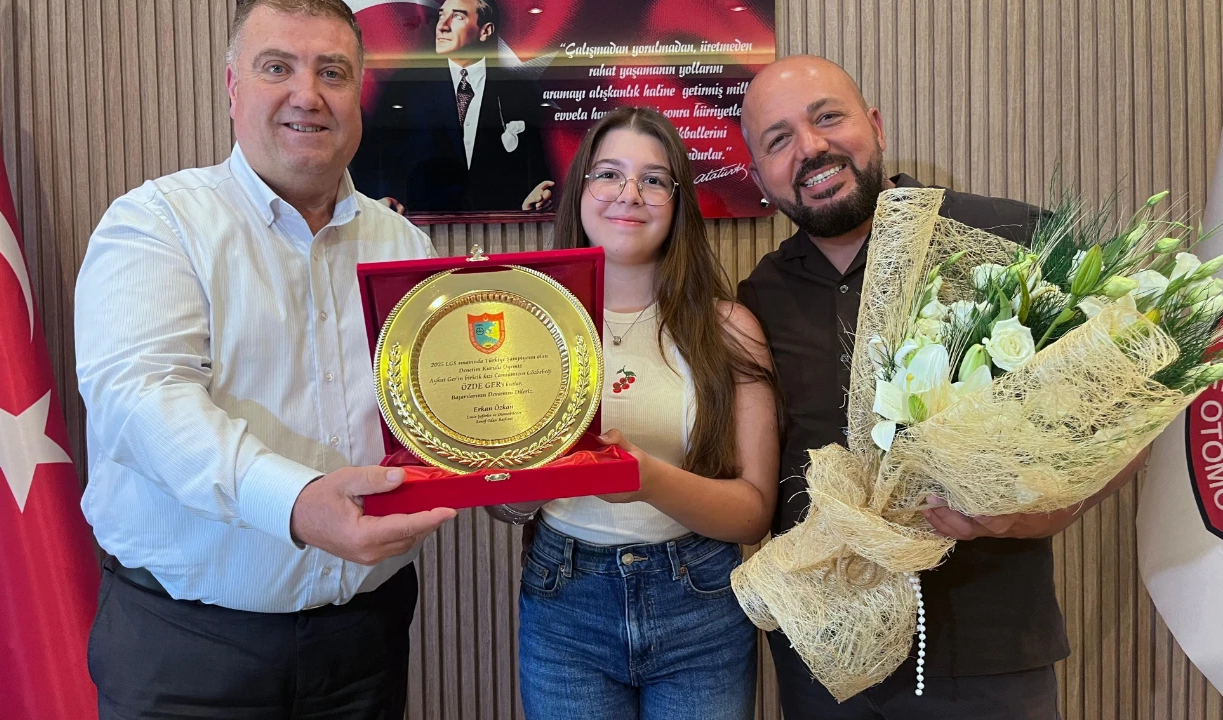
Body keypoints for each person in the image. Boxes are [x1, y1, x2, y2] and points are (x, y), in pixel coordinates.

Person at [736, 54, 1149, 720]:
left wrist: (1030, 516)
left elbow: (1127, 417)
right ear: (760, 177)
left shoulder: (1012, 238)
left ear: (876, 126)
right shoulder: (759, 297)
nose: (810, 148)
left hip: (989, 659)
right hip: (827, 664)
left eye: (828, 117)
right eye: (778, 140)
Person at [73, 1, 456, 717]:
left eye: (332, 73)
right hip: (188, 652)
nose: (307, 94)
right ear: (232, 88)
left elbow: (437, 409)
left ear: (358, 94)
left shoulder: (405, 247)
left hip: (365, 641)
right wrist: (295, 503)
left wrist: (520, 457)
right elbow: (141, 401)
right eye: (277, 67)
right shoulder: (156, 224)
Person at [486, 106, 780, 719]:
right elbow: (502, 505)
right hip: (564, 601)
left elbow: (753, 514)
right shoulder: (521, 327)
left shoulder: (730, 329)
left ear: (678, 202)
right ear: (579, 190)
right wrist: (527, 479)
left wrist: (646, 480)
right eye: (608, 174)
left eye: (653, 179)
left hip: (701, 602)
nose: (629, 194)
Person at [351, 0, 554, 214]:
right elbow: (377, 161)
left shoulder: (520, 91)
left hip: (500, 226)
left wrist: (537, 195)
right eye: (441, 15)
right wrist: (384, 200)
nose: (442, 26)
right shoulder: (406, 88)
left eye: (457, 16)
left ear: (485, 31)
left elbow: (535, 170)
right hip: (423, 225)